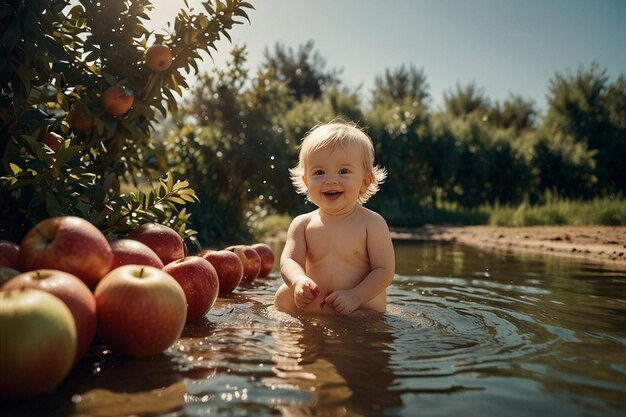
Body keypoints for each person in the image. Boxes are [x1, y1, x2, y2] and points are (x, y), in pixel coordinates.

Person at [274, 118, 395, 315]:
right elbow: (289, 260)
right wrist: (298, 281)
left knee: (374, 317)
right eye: (319, 172)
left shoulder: (371, 223)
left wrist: (355, 296)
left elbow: (384, 271)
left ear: (365, 182)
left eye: (343, 171)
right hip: (312, 307)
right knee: (283, 296)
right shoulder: (302, 224)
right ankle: (288, 341)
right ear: (306, 182)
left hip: (360, 310)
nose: (331, 180)